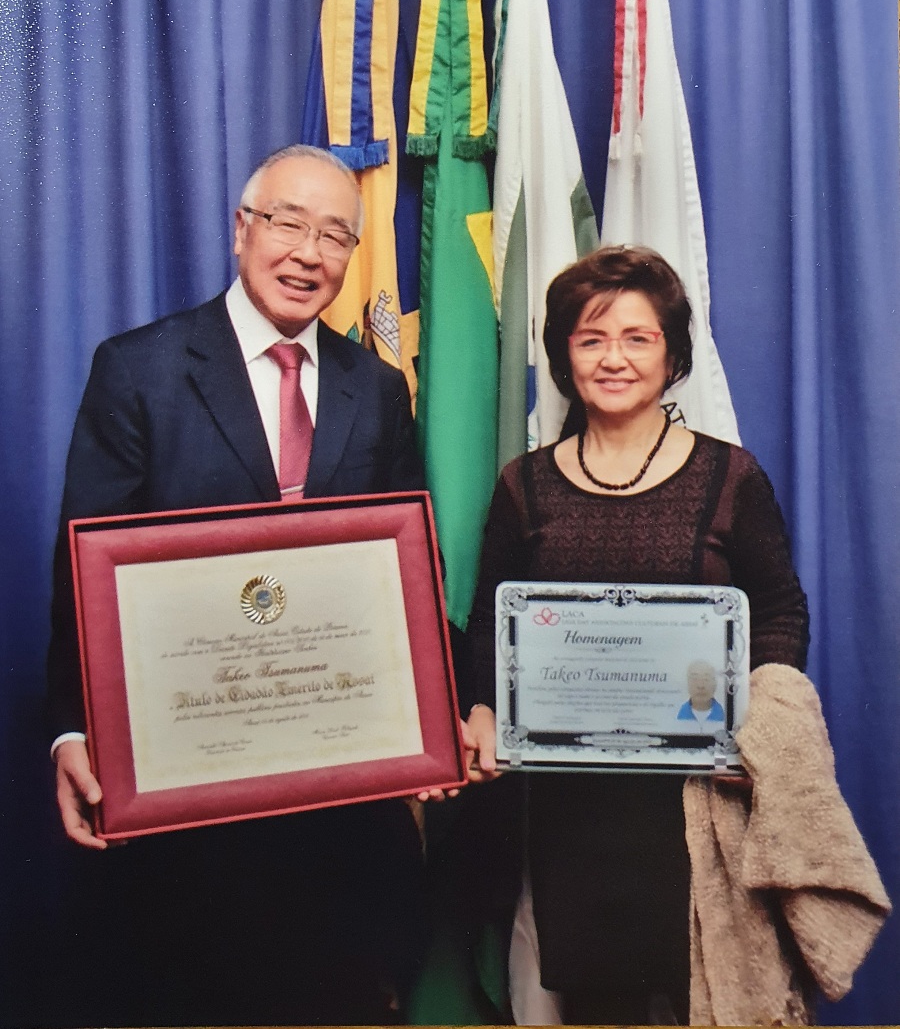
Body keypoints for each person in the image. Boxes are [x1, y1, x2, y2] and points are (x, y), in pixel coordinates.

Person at [47, 144, 434, 1027]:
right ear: (240, 231)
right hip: (192, 789)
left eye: (336, 235)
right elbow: (82, 566)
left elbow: (402, 571)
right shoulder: (138, 368)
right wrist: (73, 724)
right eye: (288, 223)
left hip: (337, 788)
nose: (310, 253)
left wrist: (428, 718)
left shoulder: (375, 390)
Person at [464, 246, 810, 1026]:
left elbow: (782, 611)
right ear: (562, 357)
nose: (612, 358)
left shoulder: (731, 478)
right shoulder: (525, 484)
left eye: (636, 338)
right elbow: (490, 617)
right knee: (598, 1005)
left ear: (673, 354)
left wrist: (758, 736)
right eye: (590, 340)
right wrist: (484, 710)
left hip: (700, 803)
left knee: (710, 1000)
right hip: (571, 814)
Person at [677, 659, 726, 725]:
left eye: (706, 679)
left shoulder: (727, 715)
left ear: (715, 684)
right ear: (687, 683)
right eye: (694, 679)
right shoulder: (675, 716)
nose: (700, 685)